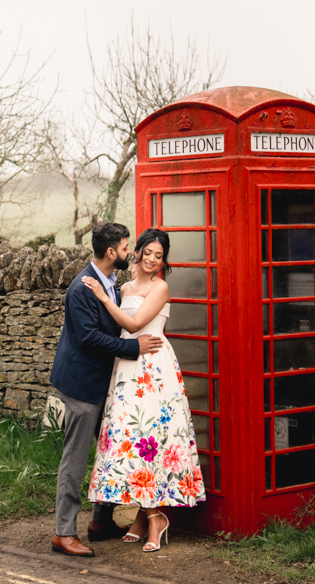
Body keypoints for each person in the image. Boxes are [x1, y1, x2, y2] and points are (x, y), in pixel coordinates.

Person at [82, 228, 206, 554]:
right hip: (126, 367)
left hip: (153, 367)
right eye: (147, 252)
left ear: (164, 261)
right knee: (131, 441)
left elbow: (136, 325)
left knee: (149, 439)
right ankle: (145, 516)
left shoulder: (160, 287)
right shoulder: (124, 286)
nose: (152, 259)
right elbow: (120, 328)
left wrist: (104, 297)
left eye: (159, 255)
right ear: (136, 252)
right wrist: (108, 297)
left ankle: (155, 519)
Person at [49, 223, 164, 558]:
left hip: (108, 383)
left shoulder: (111, 282)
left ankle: (100, 521)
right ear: (112, 252)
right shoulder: (82, 288)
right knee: (75, 458)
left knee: (112, 450)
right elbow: (88, 339)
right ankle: (64, 533)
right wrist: (134, 348)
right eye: (127, 247)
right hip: (83, 385)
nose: (134, 253)